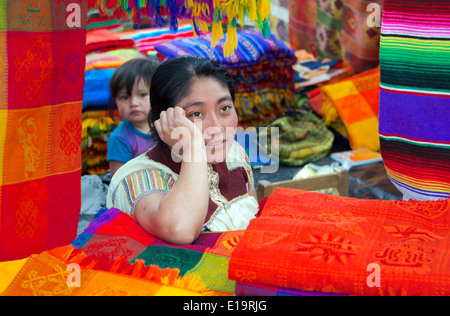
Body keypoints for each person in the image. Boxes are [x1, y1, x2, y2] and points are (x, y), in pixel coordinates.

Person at [106, 55, 259, 244]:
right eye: (196, 114)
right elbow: (180, 230)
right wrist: (192, 146)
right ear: (164, 120)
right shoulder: (136, 178)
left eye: (225, 108)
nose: (217, 126)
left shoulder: (234, 153)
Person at [107, 58, 160, 176]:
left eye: (142, 95)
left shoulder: (166, 126)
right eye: (124, 97)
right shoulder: (119, 139)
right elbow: (119, 181)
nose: (133, 103)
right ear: (115, 100)